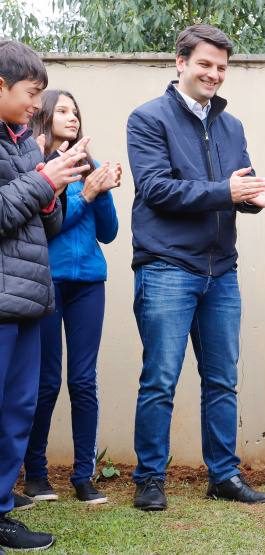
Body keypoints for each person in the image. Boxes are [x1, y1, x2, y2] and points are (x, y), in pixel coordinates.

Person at [127, 24, 265, 512]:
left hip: (222, 271)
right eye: (205, 64)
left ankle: (224, 475)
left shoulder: (231, 125)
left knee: (222, 379)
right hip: (167, 268)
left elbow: (238, 185)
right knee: (160, 379)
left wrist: (259, 196)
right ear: (180, 62)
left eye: (221, 67)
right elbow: (156, 189)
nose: (214, 74)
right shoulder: (147, 118)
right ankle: (149, 479)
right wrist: (228, 191)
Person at [0, 40, 90, 553]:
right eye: (32, 93)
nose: (38, 104)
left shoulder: (25, 143)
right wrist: (41, 181)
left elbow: (46, 224)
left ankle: (3, 513)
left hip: (31, 298)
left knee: (17, 410)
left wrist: (55, 185)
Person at [20, 90, 120, 506]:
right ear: (43, 115)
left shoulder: (86, 169)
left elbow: (109, 232)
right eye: (62, 110)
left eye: (76, 111)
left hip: (89, 284)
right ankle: (36, 476)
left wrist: (101, 187)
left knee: (83, 382)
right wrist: (87, 194)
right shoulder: (38, 165)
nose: (72, 117)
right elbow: (49, 229)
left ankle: (84, 477)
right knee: (44, 383)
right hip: (48, 282)